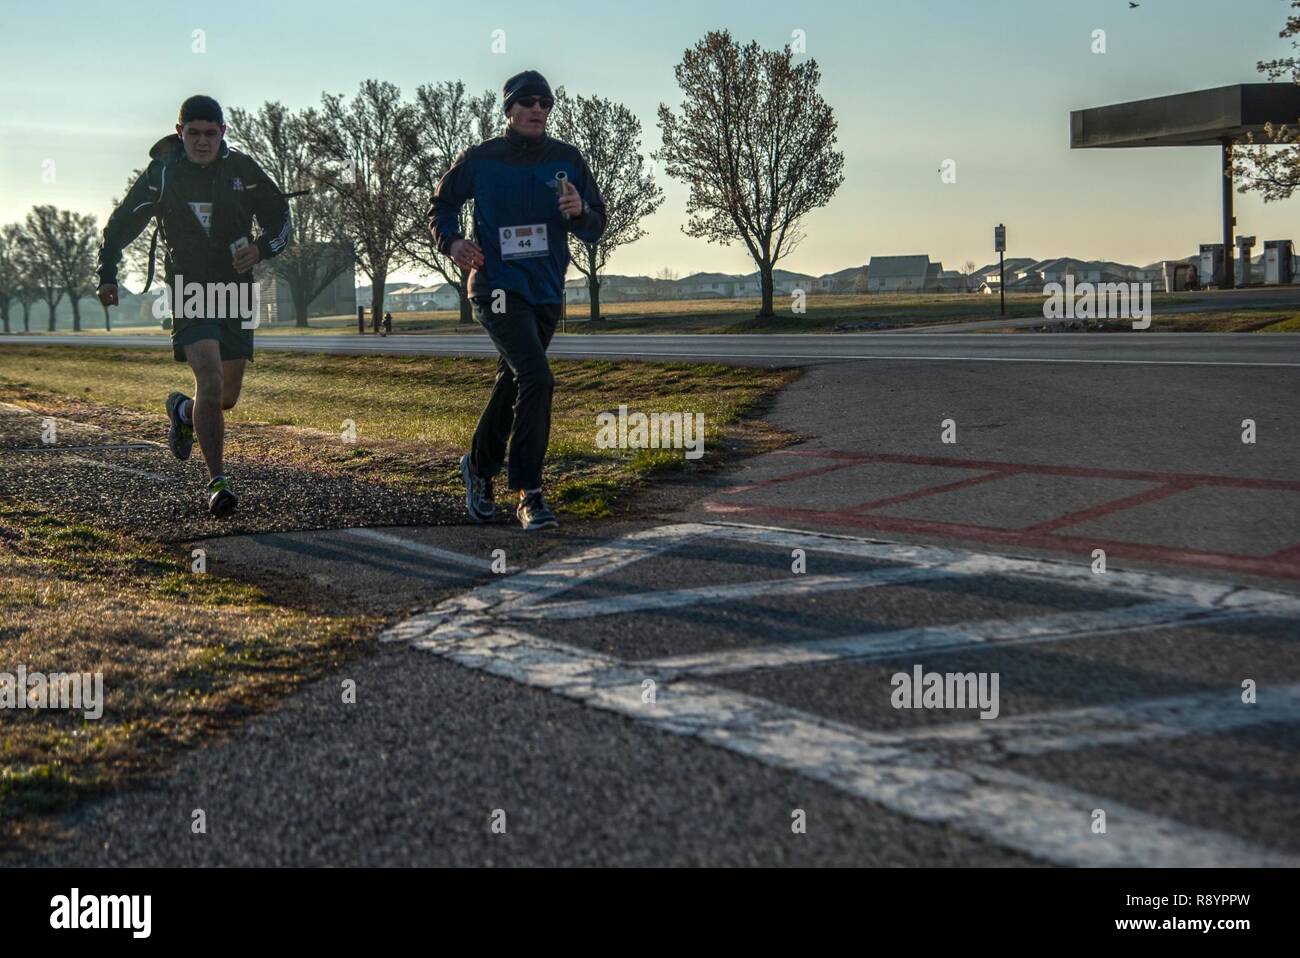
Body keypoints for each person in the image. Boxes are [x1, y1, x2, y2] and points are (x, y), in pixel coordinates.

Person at [96, 95, 292, 517]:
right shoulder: (162, 174)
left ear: (223, 133)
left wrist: (260, 249)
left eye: (210, 133)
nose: (202, 141)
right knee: (210, 378)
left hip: (236, 292)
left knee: (226, 397)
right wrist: (107, 273)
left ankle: (181, 410)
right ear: (179, 131)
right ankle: (217, 482)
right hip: (188, 290)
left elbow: (282, 221)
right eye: (194, 133)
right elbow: (122, 224)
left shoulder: (243, 170)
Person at [429, 70, 605, 531]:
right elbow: (441, 204)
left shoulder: (566, 160)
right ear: (508, 108)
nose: (537, 109)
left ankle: (479, 467)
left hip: (545, 291)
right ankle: (529, 492)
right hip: (497, 288)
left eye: (545, 102)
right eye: (527, 101)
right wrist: (452, 243)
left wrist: (580, 212)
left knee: (514, 382)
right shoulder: (483, 159)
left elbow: (596, 223)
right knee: (536, 377)